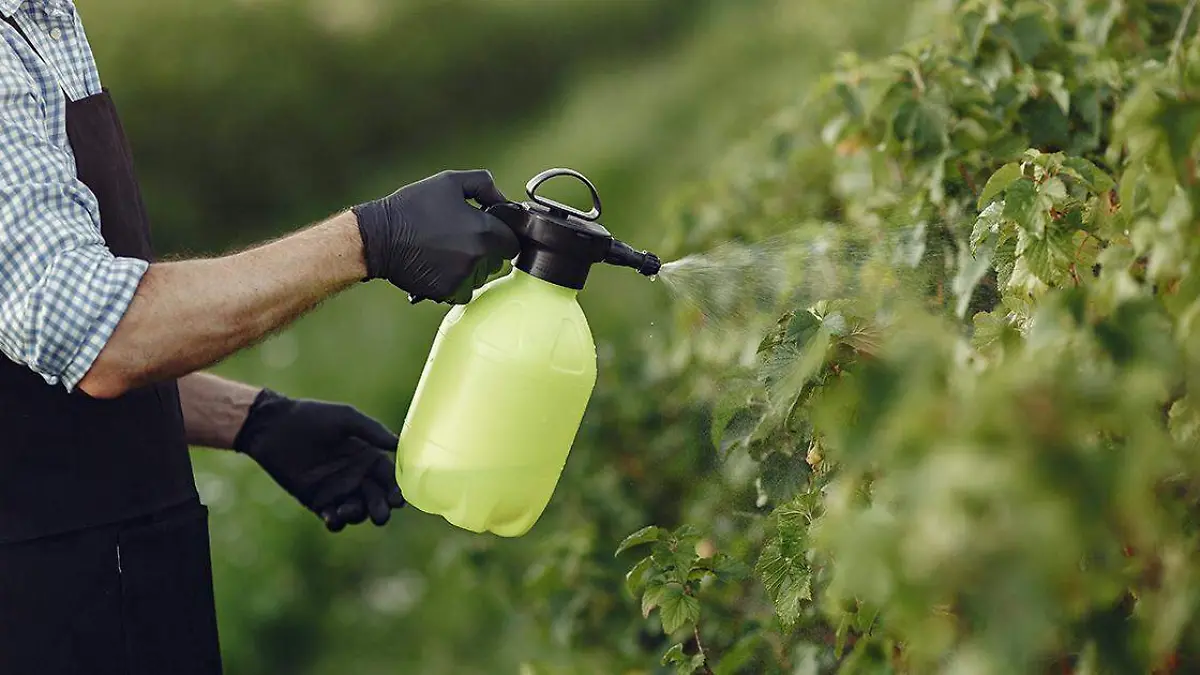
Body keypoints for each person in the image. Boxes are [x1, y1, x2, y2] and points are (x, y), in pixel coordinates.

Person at [0, 2, 521, 673]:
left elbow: (35, 337)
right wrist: (369, 240)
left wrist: (252, 419)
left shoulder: (41, 21)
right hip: (42, 613)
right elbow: (104, 333)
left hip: (115, 591)